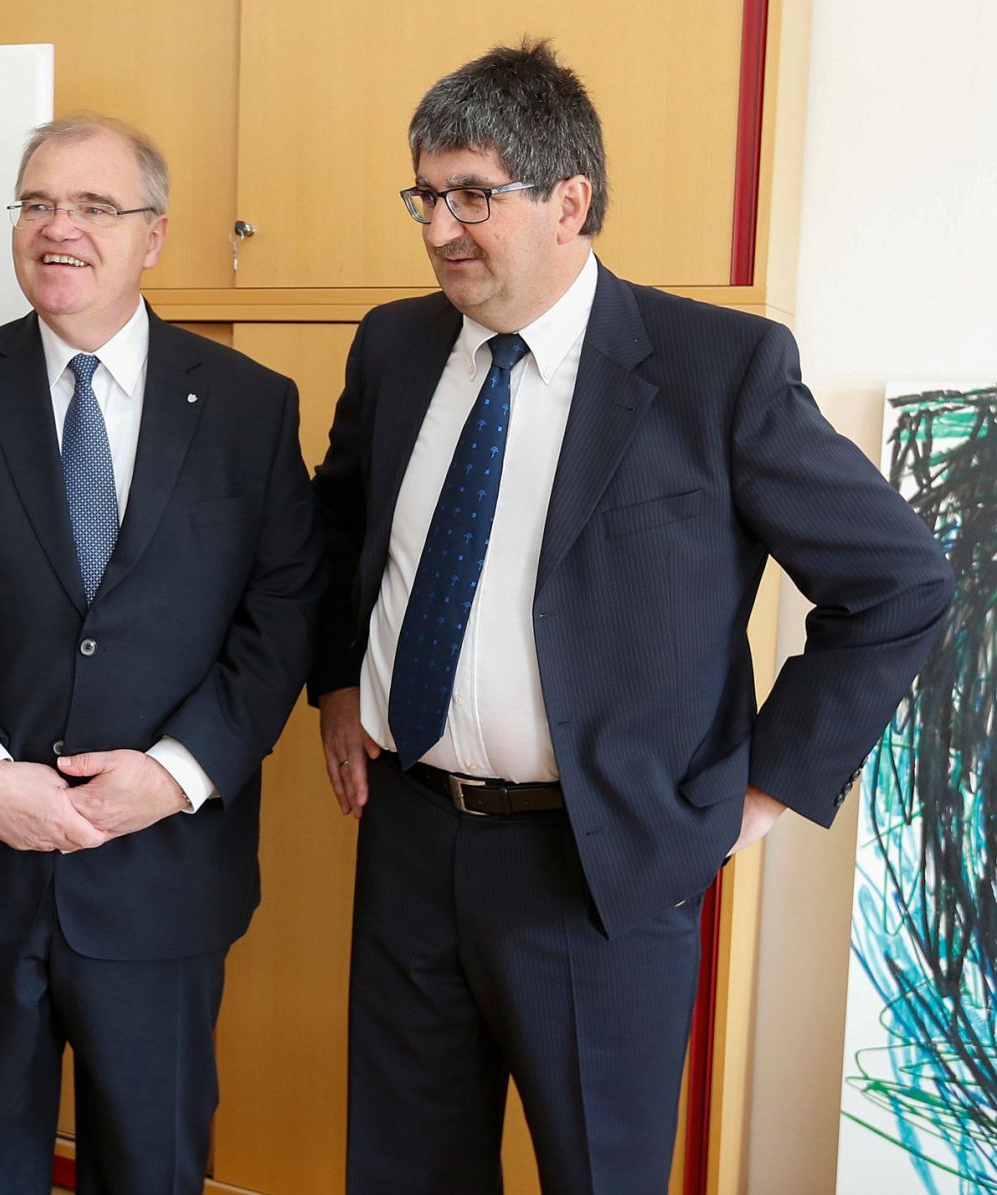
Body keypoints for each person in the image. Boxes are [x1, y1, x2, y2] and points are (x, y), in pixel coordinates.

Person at [309, 41, 953, 1194]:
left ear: (570, 201)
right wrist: (336, 683)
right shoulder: (394, 345)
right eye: (425, 194)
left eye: (471, 195)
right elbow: (336, 528)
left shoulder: (718, 368)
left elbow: (899, 584)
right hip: (407, 839)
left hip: (598, 865)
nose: (438, 229)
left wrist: (758, 793)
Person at [0, 113, 321, 1194]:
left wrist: (177, 773)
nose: (58, 229)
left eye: (94, 206)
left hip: (160, 878)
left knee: (150, 1169)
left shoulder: (248, 407)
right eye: (36, 203)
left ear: (153, 235)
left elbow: (283, 608)